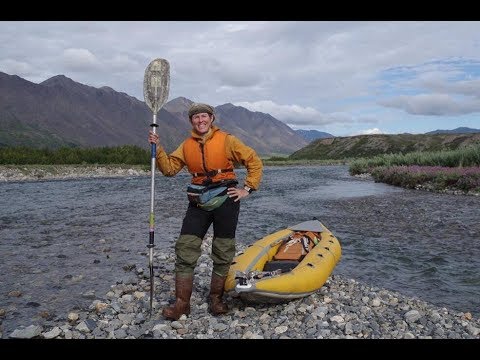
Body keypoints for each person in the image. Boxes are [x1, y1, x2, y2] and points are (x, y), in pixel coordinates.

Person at [148, 102, 263, 320]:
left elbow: (254, 161)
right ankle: (182, 304)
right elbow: (170, 169)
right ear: (191, 121)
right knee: (185, 249)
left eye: (204, 116)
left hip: (227, 200)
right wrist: (159, 149)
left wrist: (247, 188)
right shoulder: (186, 145)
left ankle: (216, 299)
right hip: (198, 201)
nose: (200, 120)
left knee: (223, 251)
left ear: (211, 119)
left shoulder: (227, 140)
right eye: (196, 117)